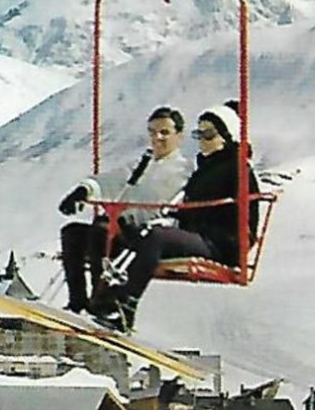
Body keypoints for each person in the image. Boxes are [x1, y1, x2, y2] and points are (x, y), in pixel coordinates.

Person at [89, 101, 261, 332]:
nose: (202, 139)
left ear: (226, 135)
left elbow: (242, 213)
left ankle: (124, 307)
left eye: (208, 133)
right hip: (199, 235)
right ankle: (100, 299)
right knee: (134, 232)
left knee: (157, 237)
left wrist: (231, 238)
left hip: (221, 243)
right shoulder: (206, 169)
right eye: (198, 133)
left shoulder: (238, 169)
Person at [56, 106, 190, 312]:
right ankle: (78, 301)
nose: (157, 138)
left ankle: (102, 301)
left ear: (179, 136)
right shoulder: (143, 164)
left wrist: (130, 217)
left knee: (101, 232)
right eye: (152, 132)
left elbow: (172, 207)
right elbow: (112, 180)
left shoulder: (183, 171)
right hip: (122, 230)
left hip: (144, 235)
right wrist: (85, 190)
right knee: (73, 233)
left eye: (164, 132)